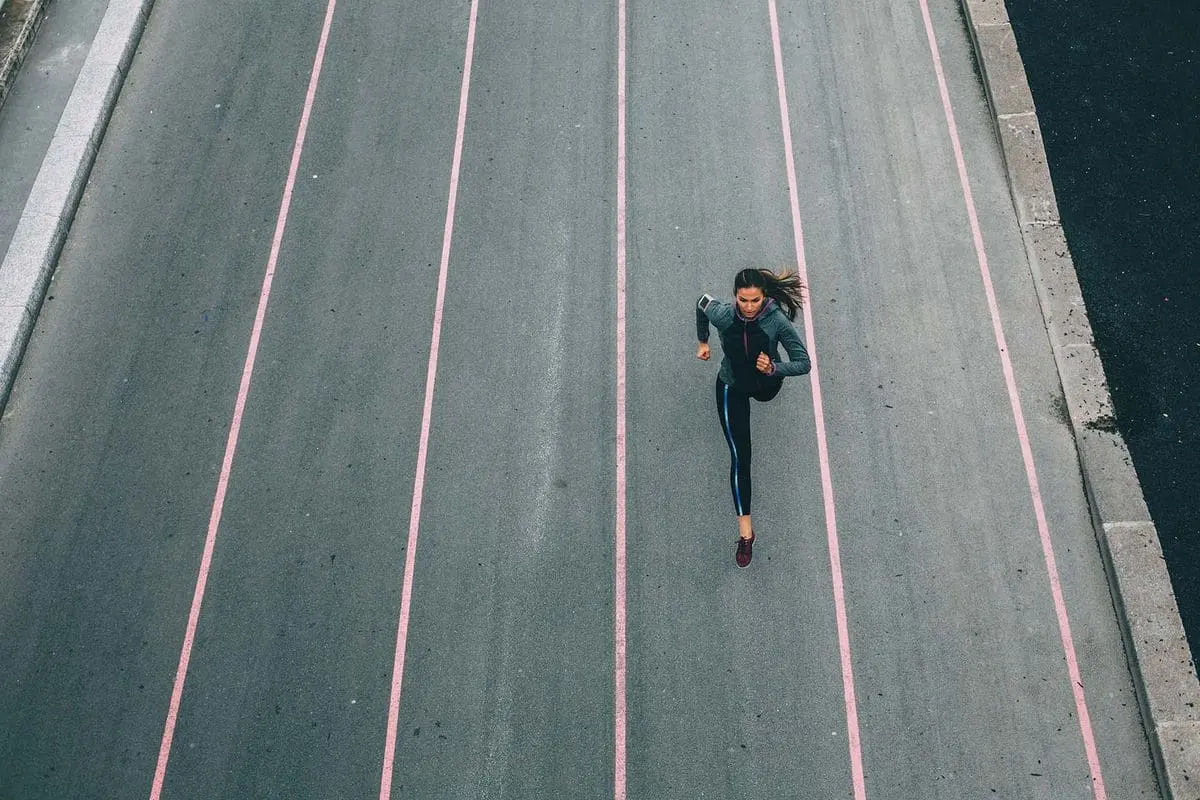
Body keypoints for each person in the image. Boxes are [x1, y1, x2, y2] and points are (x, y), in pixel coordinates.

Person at [696, 268, 811, 567]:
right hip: (731, 385)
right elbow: (701, 303)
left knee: (764, 391)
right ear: (734, 296)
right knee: (740, 457)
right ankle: (746, 535)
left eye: (755, 300)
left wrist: (774, 368)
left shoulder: (777, 322)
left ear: (764, 297)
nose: (748, 306)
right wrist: (703, 341)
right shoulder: (722, 313)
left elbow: (804, 363)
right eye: (743, 300)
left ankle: (765, 376)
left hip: (765, 386)